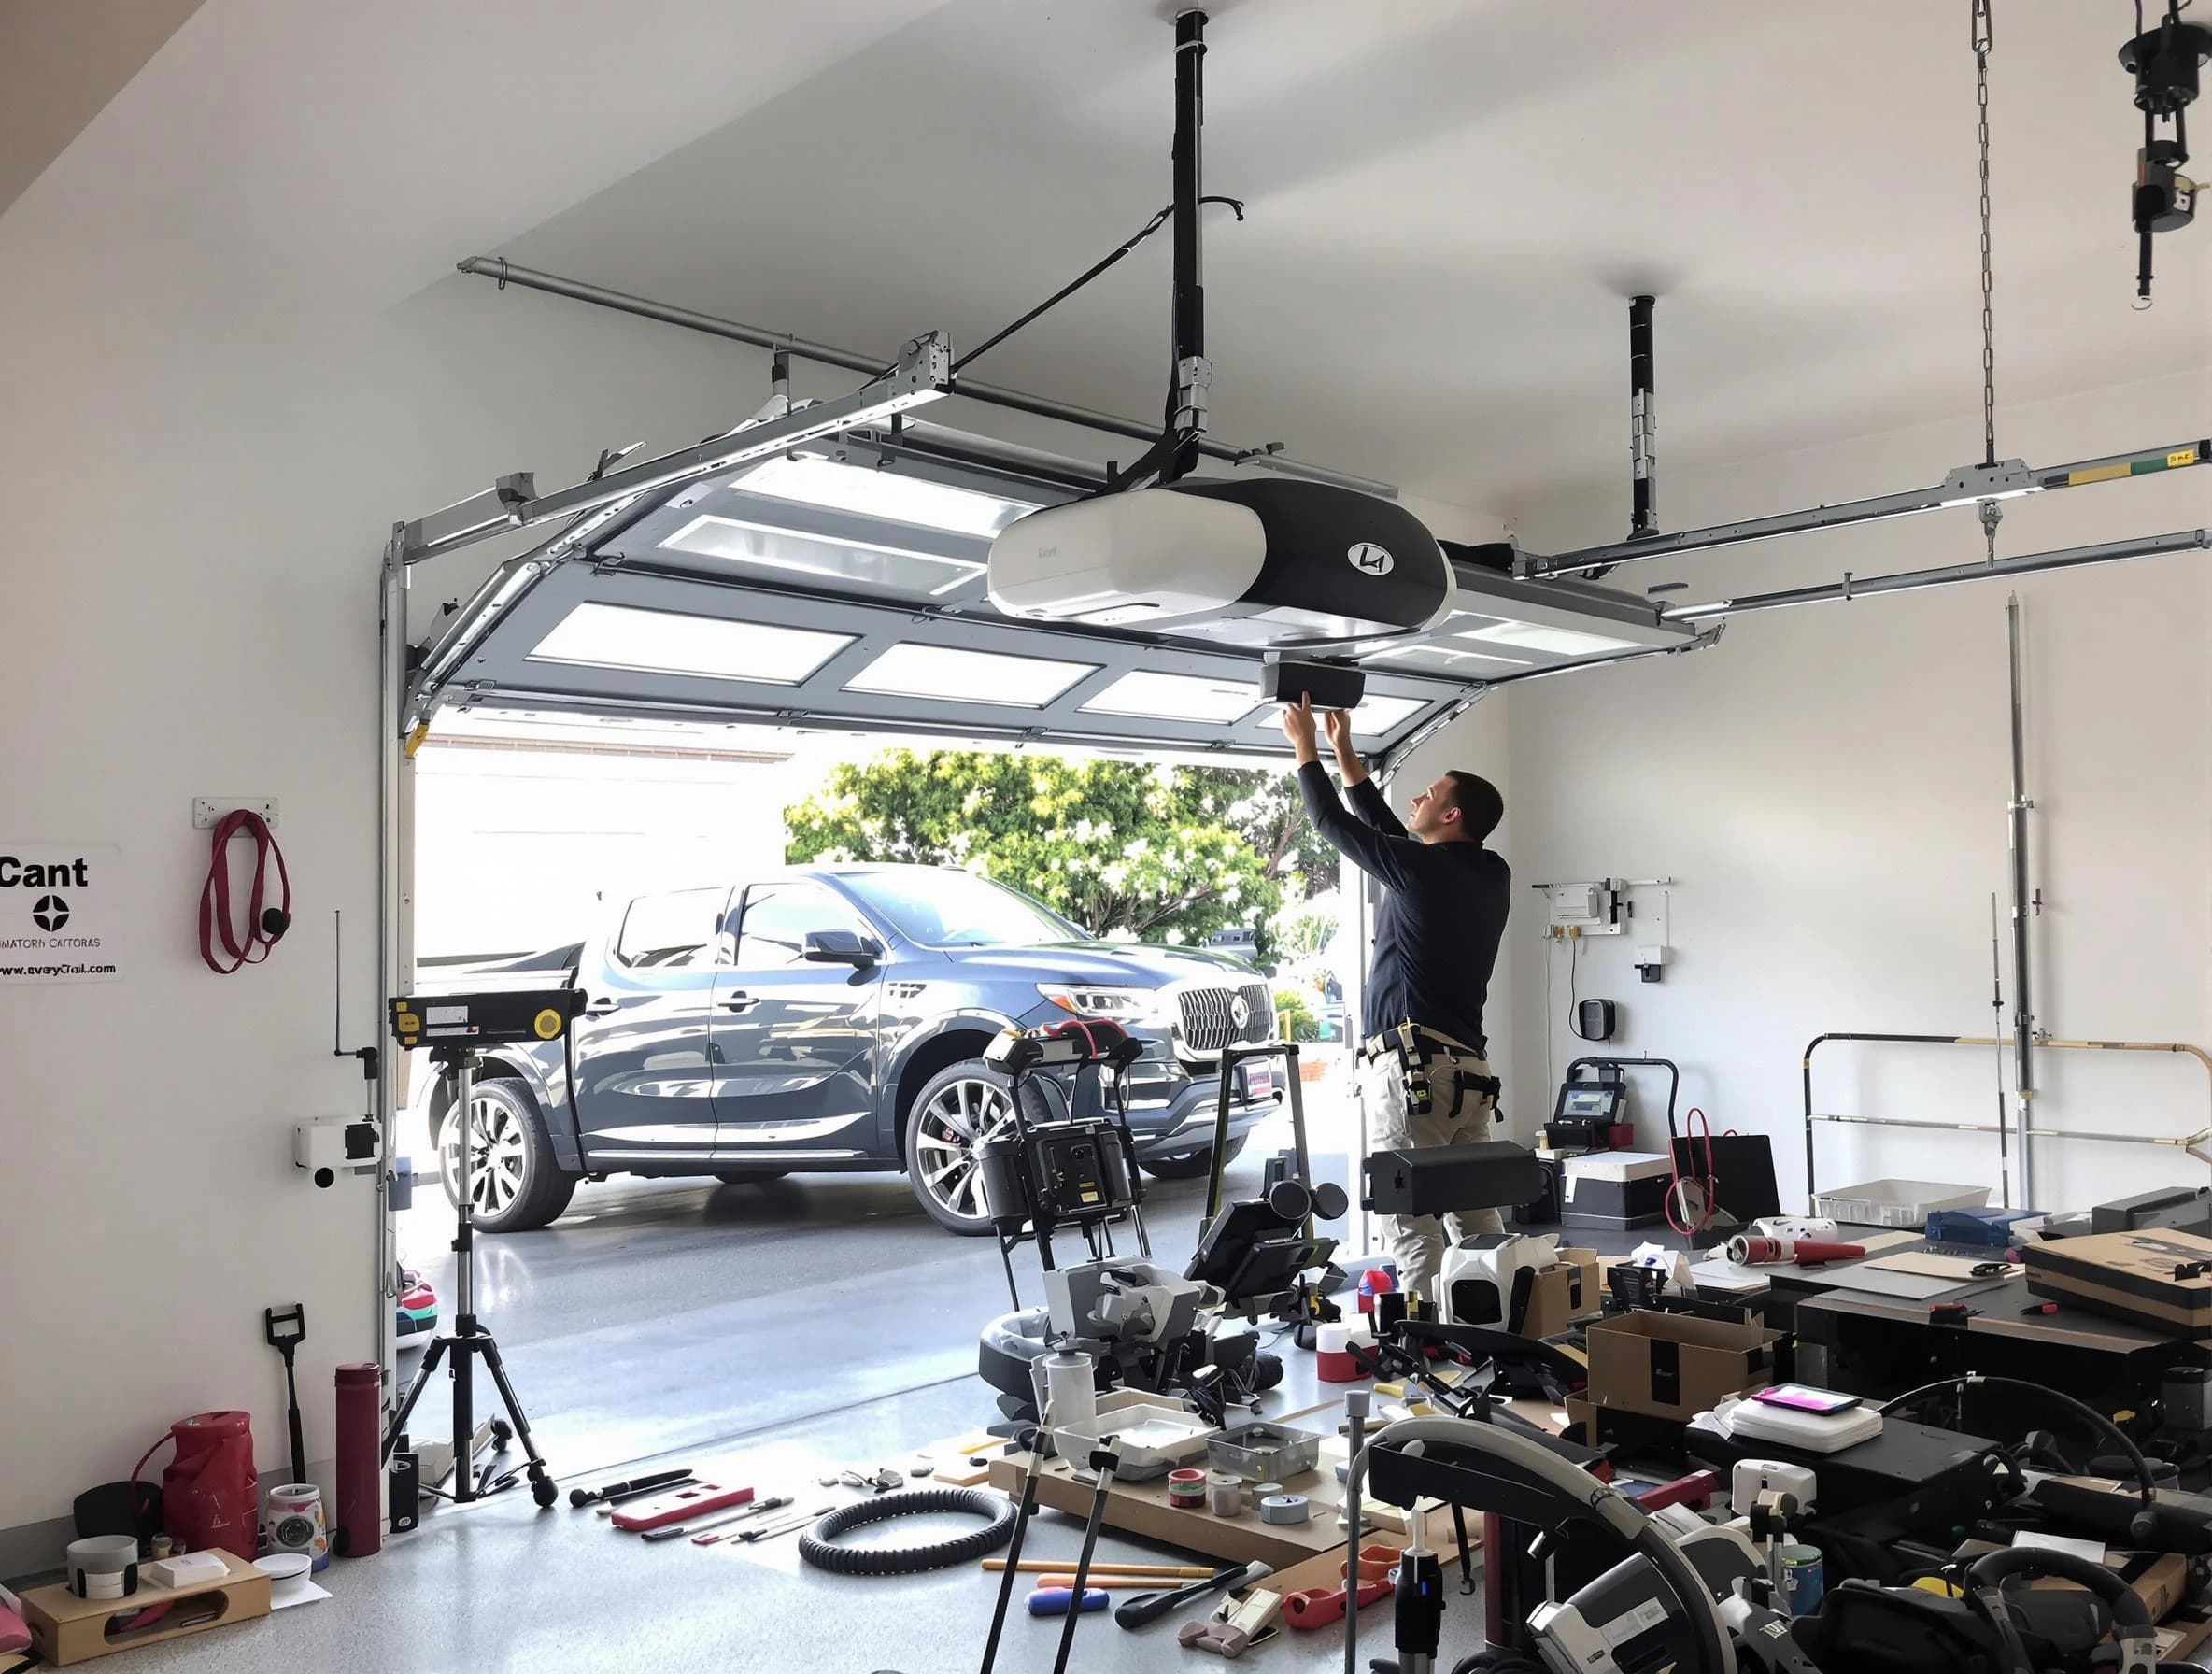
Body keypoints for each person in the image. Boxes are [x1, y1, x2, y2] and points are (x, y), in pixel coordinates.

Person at [1280, 694, 1511, 1305]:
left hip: (1415, 1077)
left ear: (1452, 814)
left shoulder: (1422, 870)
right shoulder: (1491, 874)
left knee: (1410, 1224)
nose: (1416, 798)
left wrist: (1304, 747)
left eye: (1429, 794)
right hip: (1467, 1076)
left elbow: (1335, 825)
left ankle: (1425, 1351)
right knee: (1476, 1217)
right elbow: (1388, 831)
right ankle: (1499, 1331)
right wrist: (1343, 750)